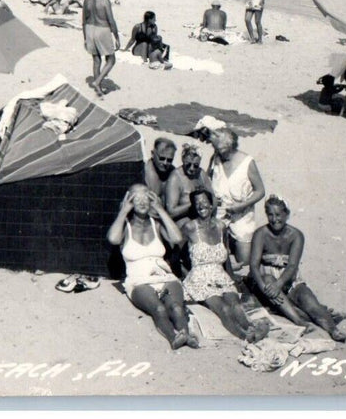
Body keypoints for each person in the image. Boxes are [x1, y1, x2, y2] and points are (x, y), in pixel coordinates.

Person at [106, 184, 197, 350]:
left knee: (176, 308)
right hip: (139, 281)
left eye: (146, 198)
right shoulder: (125, 226)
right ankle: (174, 337)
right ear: (129, 200)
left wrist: (160, 210)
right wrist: (124, 211)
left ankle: (187, 335)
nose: (142, 202)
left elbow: (177, 238)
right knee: (159, 309)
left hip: (164, 277)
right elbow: (113, 239)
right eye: (136, 198)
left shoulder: (156, 225)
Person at [249, 196, 346, 341]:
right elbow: (254, 265)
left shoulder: (296, 235)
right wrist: (265, 287)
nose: (274, 219)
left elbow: (292, 265)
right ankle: (300, 322)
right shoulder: (261, 234)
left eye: (278, 215)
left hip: (289, 279)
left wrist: (279, 284)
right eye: (270, 214)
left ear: (286, 214)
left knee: (309, 301)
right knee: (272, 285)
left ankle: (333, 329)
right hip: (266, 280)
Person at [179, 189, 268, 343]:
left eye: (204, 201)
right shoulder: (189, 227)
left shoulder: (221, 227)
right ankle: (244, 336)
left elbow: (226, 257)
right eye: (197, 203)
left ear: (212, 204)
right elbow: (176, 255)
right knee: (224, 309)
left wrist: (232, 278)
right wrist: (186, 275)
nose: (201, 206)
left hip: (221, 275)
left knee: (236, 306)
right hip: (199, 277)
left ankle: (250, 328)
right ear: (194, 207)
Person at [208, 127, 266, 267]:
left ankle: (234, 243)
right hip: (220, 212)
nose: (218, 153)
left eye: (221, 150)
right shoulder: (215, 158)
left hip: (242, 213)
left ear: (231, 146)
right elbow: (207, 181)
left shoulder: (247, 162)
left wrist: (242, 205)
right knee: (215, 254)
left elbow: (260, 191)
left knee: (244, 261)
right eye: (215, 149)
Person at [82, 0, 120, 97]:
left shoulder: (86, 0)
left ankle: (97, 88)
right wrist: (116, 37)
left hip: (89, 29)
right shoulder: (104, 1)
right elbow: (111, 20)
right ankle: (97, 81)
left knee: (96, 59)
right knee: (111, 59)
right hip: (102, 29)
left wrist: (85, 38)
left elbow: (83, 21)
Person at [165, 144, 212, 221]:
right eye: (188, 165)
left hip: (202, 217)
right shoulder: (175, 177)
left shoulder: (201, 174)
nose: (192, 168)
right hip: (184, 219)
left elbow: (212, 198)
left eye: (196, 165)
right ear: (182, 160)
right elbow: (171, 212)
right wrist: (194, 203)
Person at [143, 137, 177, 203]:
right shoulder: (144, 172)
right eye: (162, 158)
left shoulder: (173, 171)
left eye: (169, 160)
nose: (165, 163)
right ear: (152, 154)